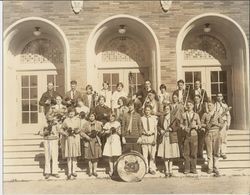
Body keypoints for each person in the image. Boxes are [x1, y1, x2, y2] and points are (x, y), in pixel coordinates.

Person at [201, 101, 224, 177]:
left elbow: (222, 124)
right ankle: (210, 167)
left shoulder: (217, 114)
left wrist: (216, 123)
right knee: (209, 151)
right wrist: (206, 125)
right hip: (208, 133)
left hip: (216, 133)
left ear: (214, 106)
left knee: (216, 151)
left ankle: (216, 167)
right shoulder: (205, 114)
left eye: (210, 105)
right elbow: (201, 124)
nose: (209, 107)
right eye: (208, 105)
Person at [157, 104, 180, 177]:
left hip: (171, 138)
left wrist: (172, 129)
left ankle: (171, 170)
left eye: (168, 108)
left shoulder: (174, 118)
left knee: (171, 155)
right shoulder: (161, 118)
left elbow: (178, 126)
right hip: (164, 138)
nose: (166, 110)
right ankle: (166, 170)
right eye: (165, 108)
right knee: (165, 155)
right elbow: (158, 126)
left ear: (170, 109)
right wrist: (160, 130)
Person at [180, 100, 201, 174]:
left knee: (194, 153)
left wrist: (195, 126)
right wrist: (184, 127)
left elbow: (200, 125)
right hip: (186, 135)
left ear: (193, 106)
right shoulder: (183, 115)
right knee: (186, 153)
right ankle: (187, 169)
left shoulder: (196, 115)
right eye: (188, 105)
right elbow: (181, 124)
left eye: (190, 105)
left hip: (194, 135)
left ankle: (193, 168)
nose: (189, 106)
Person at [60, 107, 81, 180]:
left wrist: (76, 131)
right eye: (70, 112)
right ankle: (69, 172)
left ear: (74, 113)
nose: (71, 113)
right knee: (69, 156)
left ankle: (74, 171)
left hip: (75, 138)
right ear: (68, 113)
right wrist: (65, 133)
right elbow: (61, 129)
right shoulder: (66, 120)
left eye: (72, 112)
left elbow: (80, 128)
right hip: (69, 139)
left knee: (74, 155)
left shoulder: (78, 120)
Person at [80, 112, 102, 177]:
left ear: (94, 117)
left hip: (96, 141)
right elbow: (81, 132)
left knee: (95, 156)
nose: (91, 117)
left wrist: (99, 133)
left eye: (93, 116)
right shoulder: (85, 124)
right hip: (88, 141)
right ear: (88, 117)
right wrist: (87, 137)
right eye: (90, 116)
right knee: (89, 157)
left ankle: (95, 170)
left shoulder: (98, 124)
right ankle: (90, 171)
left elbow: (101, 132)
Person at [39, 114, 60, 179]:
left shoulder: (56, 123)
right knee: (47, 156)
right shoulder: (44, 124)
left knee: (55, 156)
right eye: (48, 117)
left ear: (53, 117)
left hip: (54, 140)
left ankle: (55, 172)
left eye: (51, 116)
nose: (50, 118)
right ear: (46, 117)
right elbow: (40, 133)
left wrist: (56, 134)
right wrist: (45, 133)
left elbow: (59, 131)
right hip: (47, 140)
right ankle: (47, 172)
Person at [138, 105, 158, 175]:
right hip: (144, 137)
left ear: (151, 111)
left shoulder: (154, 118)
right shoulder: (141, 118)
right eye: (146, 110)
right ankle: (146, 168)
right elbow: (140, 129)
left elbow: (155, 130)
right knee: (145, 154)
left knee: (152, 154)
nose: (147, 112)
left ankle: (152, 168)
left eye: (148, 110)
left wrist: (155, 139)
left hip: (152, 137)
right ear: (144, 111)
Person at [214, 93, 231, 159]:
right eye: (218, 96)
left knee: (223, 138)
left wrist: (228, 124)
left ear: (222, 97)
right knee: (217, 138)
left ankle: (223, 152)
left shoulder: (225, 105)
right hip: (216, 123)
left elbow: (228, 115)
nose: (219, 97)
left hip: (224, 123)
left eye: (220, 96)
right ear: (216, 97)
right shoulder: (214, 105)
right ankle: (217, 152)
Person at [193, 94, 207, 159]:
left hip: (201, 125)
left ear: (200, 99)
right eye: (195, 99)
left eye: (197, 99)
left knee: (201, 141)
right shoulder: (192, 106)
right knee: (195, 141)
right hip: (194, 125)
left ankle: (200, 154)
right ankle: (195, 154)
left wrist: (203, 125)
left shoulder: (203, 106)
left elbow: (205, 116)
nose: (196, 100)